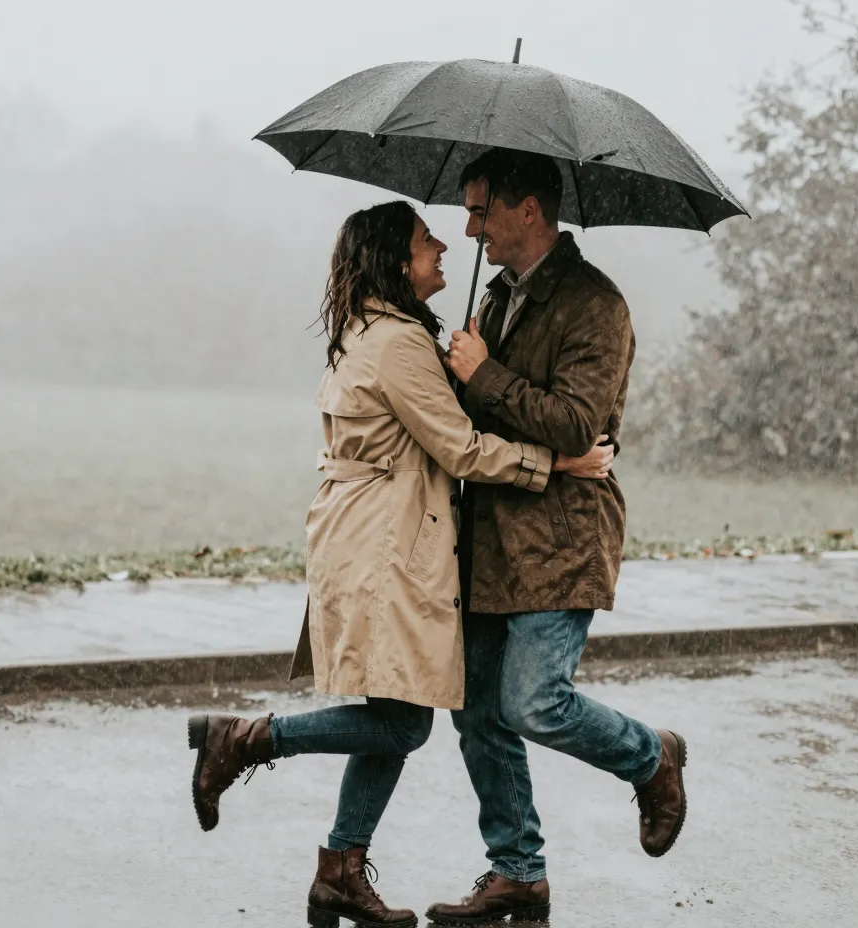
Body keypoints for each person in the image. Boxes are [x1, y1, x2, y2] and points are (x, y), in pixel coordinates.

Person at [186, 200, 613, 928]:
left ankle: (340, 871)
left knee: (392, 709)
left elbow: (435, 427)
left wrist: (468, 371)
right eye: (424, 240)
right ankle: (248, 739)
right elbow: (462, 450)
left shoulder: (375, 330)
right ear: (394, 261)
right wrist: (558, 463)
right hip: (384, 547)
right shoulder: (399, 343)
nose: (443, 244)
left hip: (368, 538)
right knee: (404, 724)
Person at [426, 148, 687, 926]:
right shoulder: (496, 298)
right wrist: (450, 376)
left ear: (528, 210)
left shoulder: (595, 305)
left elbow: (576, 425)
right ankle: (518, 873)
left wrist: (482, 374)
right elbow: (480, 422)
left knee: (534, 702)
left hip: (561, 539)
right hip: (488, 537)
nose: (470, 231)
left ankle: (653, 757)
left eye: (480, 212)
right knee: (476, 709)